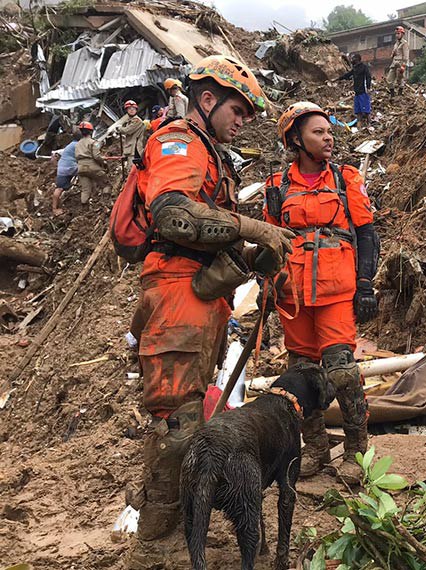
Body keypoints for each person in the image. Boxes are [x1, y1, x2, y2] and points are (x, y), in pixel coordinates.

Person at [126, 55, 295, 569]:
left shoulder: (211, 154)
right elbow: (174, 216)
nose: (242, 121)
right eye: (237, 110)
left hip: (198, 295)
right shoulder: (180, 141)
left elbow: (207, 233)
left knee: (192, 413)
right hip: (177, 294)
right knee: (177, 423)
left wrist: (254, 255)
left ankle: (170, 526)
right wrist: (251, 227)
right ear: (206, 99)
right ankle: (153, 545)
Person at [265, 101, 379, 484]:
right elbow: (270, 240)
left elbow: (366, 233)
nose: (329, 138)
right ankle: (315, 449)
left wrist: (366, 284)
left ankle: (356, 450)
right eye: (319, 132)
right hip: (293, 294)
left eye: (330, 131)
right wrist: (269, 284)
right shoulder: (277, 186)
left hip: (336, 290)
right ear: (296, 139)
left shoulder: (346, 179)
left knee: (343, 371)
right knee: (301, 374)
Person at [74, 121, 107, 204]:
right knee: (106, 184)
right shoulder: (92, 142)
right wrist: (104, 162)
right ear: (91, 131)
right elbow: (96, 156)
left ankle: (84, 208)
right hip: (92, 167)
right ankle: (107, 203)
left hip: (80, 168)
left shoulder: (77, 144)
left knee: (85, 190)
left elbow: (76, 157)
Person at [338, 53, 373, 127]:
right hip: (357, 93)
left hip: (363, 92)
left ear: (357, 59)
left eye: (353, 58)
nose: (351, 60)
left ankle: (369, 125)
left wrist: (368, 87)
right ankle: (359, 128)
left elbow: (368, 77)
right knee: (358, 112)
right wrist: (338, 79)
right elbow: (347, 75)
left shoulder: (364, 67)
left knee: (366, 112)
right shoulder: (354, 69)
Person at [51, 133, 80, 216]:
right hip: (70, 167)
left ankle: (55, 208)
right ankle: (54, 209)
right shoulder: (78, 145)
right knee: (88, 170)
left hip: (62, 168)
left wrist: (57, 165)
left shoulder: (70, 145)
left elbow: (53, 156)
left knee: (59, 188)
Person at [116, 100, 148, 172]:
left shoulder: (137, 120)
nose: (132, 110)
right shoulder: (130, 121)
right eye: (129, 108)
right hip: (131, 149)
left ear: (136, 110)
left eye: (133, 108)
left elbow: (128, 130)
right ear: (126, 110)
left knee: (132, 171)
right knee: (131, 170)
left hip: (135, 149)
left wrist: (120, 128)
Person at [387, 25, 409, 96]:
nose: (397, 35)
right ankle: (392, 94)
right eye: (396, 34)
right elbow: (392, 55)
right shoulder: (395, 44)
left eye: (398, 33)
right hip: (394, 63)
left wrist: (403, 66)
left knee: (400, 79)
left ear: (402, 34)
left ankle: (400, 93)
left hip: (400, 63)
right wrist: (392, 54)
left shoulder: (404, 43)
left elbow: (406, 55)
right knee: (389, 79)